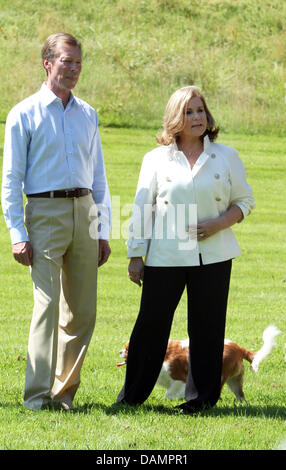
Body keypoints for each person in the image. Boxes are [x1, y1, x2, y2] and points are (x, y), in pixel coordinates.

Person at [116, 86, 255, 413]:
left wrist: (219, 223)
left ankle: (202, 400)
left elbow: (245, 201)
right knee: (150, 326)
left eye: (200, 110)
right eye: (189, 111)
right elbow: (142, 208)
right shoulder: (154, 159)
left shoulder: (227, 156)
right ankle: (131, 397)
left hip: (215, 255)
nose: (197, 117)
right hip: (164, 255)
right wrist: (136, 255)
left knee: (207, 328)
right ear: (175, 118)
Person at [1, 33, 111, 411]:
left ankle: (64, 394)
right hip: (44, 213)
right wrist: (17, 233)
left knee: (83, 311)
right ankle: (35, 397)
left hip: (85, 212)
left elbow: (98, 177)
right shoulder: (23, 113)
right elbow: (11, 180)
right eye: (67, 61)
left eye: (78, 62)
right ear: (47, 63)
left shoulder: (88, 114)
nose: (74, 68)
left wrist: (104, 230)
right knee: (47, 308)